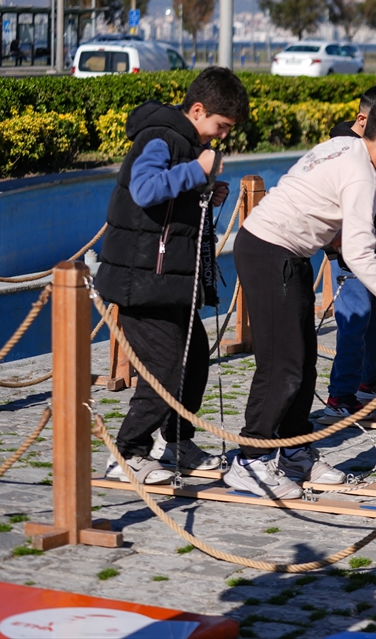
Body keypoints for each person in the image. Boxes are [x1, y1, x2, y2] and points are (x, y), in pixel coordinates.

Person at [226, 94, 376, 499]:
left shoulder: (347, 146)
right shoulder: (364, 176)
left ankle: (294, 450)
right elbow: (358, 253)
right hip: (269, 251)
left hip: (288, 253)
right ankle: (250, 460)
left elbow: (309, 191)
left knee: (303, 362)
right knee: (282, 365)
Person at [95, 67, 249, 485]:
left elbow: (168, 202)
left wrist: (204, 191)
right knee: (164, 367)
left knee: (195, 358)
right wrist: (198, 172)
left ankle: (176, 441)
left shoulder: (185, 142)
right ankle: (128, 452)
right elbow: (145, 190)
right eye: (220, 126)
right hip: (142, 281)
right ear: (197, 110)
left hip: (169, 281)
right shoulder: (160, 136)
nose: (221, 137)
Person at [317, 85, 376, 424]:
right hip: (347, 248)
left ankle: (367, 381)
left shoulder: (375, 146)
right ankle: (340, 395)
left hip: (371, 243)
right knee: (354, 320)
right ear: (363, 120)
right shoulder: (341, 150)